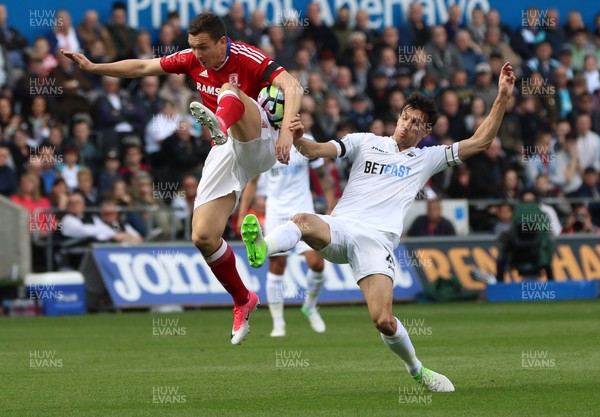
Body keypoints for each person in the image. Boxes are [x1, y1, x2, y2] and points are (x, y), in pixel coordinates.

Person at [241, 63, 516, 392]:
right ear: (398, 116)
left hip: (377, 245)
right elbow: (316, 150)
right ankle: (261, 248)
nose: (407, 125)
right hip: (341, 228)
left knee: (383, 320)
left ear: (425, 131)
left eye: (417, 123)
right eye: (405, 117)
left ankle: (417, 370)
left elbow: (480, 142)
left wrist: (500, 97)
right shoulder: (364, 142)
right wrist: (299, 136)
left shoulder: (427, 158)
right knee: (301, 220)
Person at [63, 11, 303, 344]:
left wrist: (287, 132)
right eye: (193, 47)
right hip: (227, 148)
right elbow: (143, 67)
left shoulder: (247, 56)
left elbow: (292, 85)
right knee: (203, 236)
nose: (197, 54)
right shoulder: (191, 59)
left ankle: (217, 123)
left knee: (229, 92)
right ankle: (242, 299)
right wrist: (94, 67)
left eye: (203, 47)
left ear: (222, 42)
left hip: (259, 137)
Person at [238, 111, 336, 337]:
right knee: (277, 267)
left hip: (303, 213)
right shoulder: (265, 145)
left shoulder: (304, 141)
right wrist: (242, 213)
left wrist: (331, 204)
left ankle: (310, 307)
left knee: (317, 264)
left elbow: (322, 176)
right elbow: (252, 183)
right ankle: (278, 323)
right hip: (276, 213)